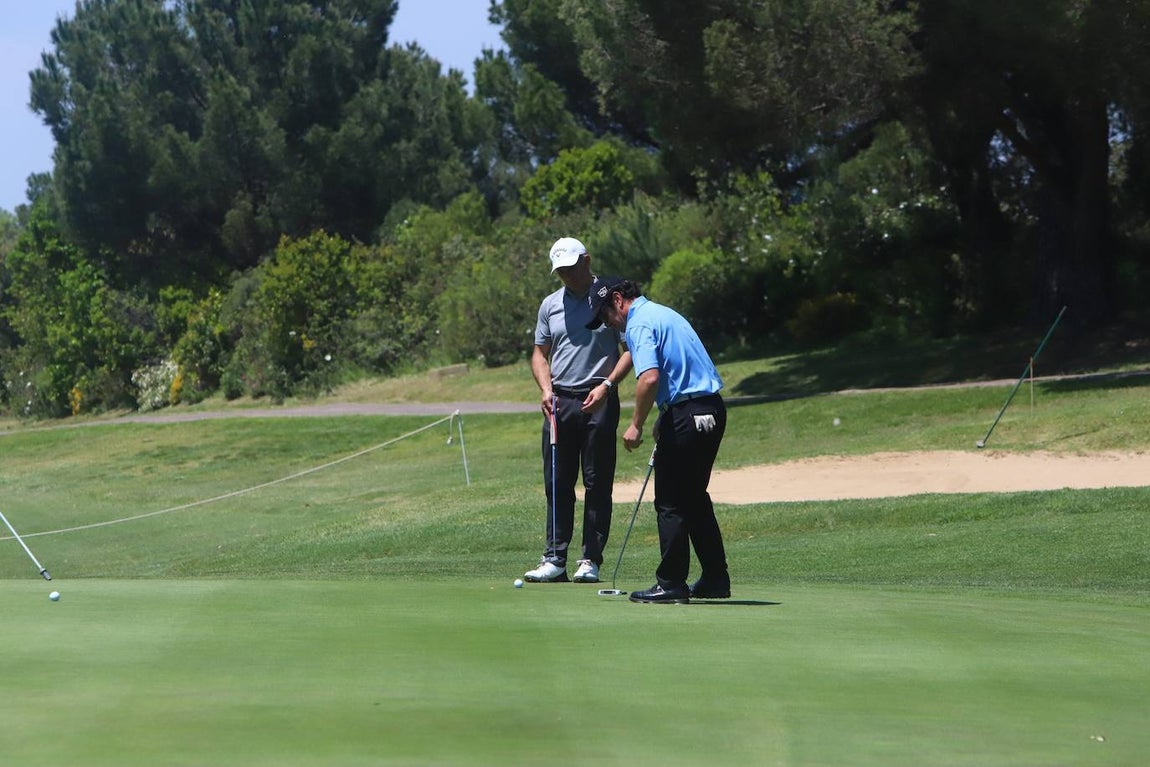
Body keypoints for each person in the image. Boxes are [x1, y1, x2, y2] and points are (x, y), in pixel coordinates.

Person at [585, 276, 730, 603]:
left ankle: (671, 583)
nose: (608, 323)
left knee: (671, 501)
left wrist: (636, 424)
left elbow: (649, 377)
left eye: (606, 315)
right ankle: (716, 578)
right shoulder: (665, 314)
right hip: (710, 409)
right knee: (693, 498)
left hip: (687, 413)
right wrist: (666, 415)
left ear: (618, 300)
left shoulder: (638, 325)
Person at [524, 238, 633, 584]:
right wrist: (545, 389)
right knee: (557, 481)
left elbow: (631, 349)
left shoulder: (609, 297)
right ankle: (554, 557)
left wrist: (607, 386)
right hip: (560, 402)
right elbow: (540, 353)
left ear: (586, 260)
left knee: (597, 481)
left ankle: (590, 559)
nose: (567, 276)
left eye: (572, 267)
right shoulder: (550, 305)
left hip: (599, 398)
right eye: (561, 271)